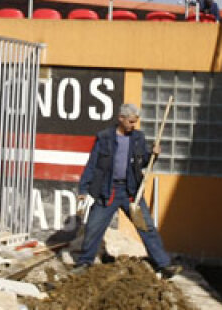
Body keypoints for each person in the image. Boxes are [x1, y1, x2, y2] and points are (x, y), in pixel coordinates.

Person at [76, 103, 178, 276]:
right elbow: (92, 164)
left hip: (132, 194)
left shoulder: (138, 138)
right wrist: (83, 189)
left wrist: (154, 154)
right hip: (108, 192)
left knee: (145, 227)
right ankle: (84, 263)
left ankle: (163, 264)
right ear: (121, 118)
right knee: (94, 227)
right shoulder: (104, 138)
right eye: (130, 121)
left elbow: (142, 162)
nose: (133, 125)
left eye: (135, 121)